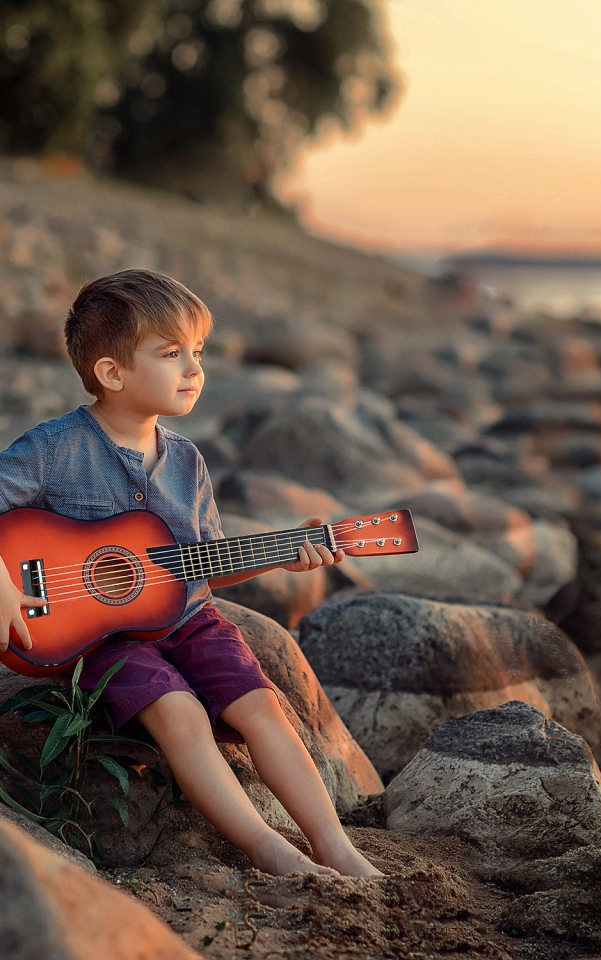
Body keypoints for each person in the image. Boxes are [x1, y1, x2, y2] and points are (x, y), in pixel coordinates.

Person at [0, 269, 382, 878]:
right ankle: (269, 849)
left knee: (263, 706)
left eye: (198, 353)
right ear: (112, 372)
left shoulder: (187, 461)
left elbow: (204, 565)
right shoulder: (53, 448)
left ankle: (335, 844)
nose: (195, 370)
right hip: (103, 637)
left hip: (189, 618)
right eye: (172, 353)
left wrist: (283, 554)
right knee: (179, 713)